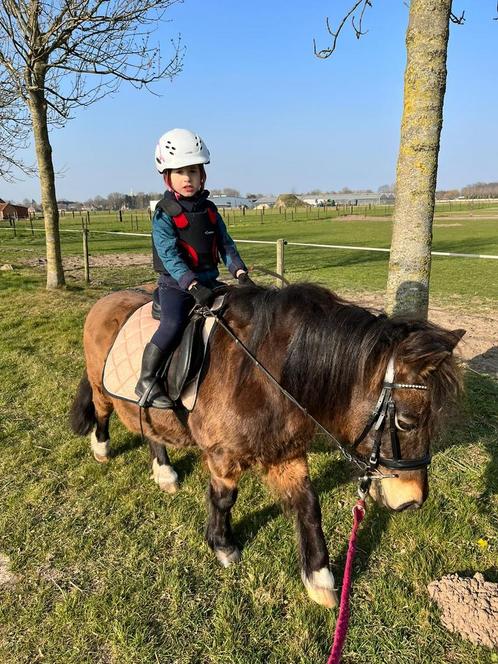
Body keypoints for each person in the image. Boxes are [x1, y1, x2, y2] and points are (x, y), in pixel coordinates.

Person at [135, 128, 253, 409]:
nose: (187, 178)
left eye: (193, 171)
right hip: (177, 286)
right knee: (173, 324)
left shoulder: (210, 210)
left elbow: (226, 244)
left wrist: (240, 273)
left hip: (209, 282)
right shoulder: (165, 213)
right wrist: (191, 284)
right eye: (180, 172)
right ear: (168, 177)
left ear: (203, 175)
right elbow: (170, 254)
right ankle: (147, 379)